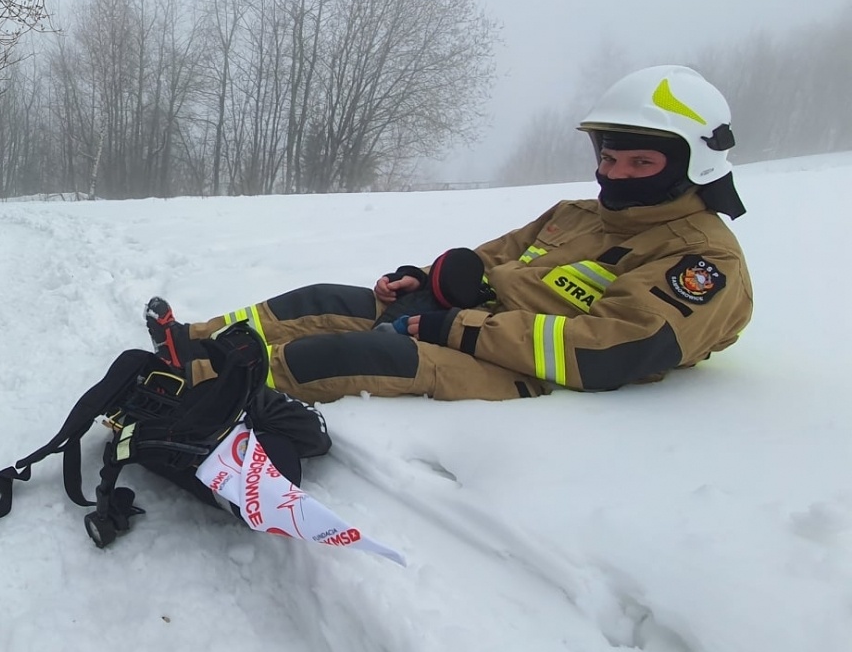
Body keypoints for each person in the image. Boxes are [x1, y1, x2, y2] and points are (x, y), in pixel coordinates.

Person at [149, 65, 752, 403]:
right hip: (468, 323)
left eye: (640, 164)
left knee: (348, 354)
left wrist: (456, 327)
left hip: (531, 373)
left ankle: (193, 385)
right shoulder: (578, 212)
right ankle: (195, 342)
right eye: (610, 157)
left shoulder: (701, 260)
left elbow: (608, 348)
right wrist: (431, 279)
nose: (614, 174)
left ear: (693, 164)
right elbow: (497, 258)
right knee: (325, 300)